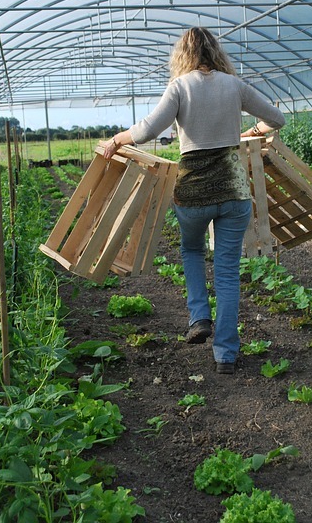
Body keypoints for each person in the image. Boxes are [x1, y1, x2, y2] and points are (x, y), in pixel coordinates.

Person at [103, 27, 285, 373]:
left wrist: (117, 138)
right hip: (234, 193)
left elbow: (146, 131)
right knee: (228, 272)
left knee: (191, 251)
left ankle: (199, 316)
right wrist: (248, 133)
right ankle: (226, 355)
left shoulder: (180, 86)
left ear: (182, 55)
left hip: (193, 194)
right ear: (215, 52)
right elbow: (277, 119)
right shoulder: (234, 85)